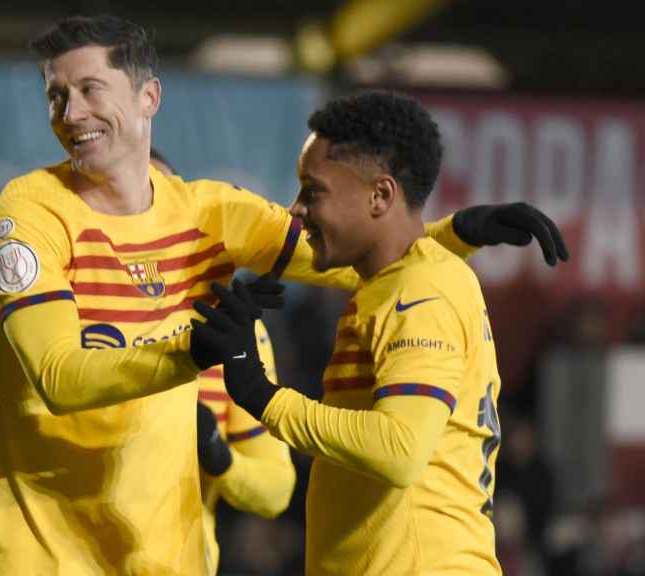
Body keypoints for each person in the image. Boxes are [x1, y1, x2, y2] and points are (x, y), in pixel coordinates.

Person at [0, 14, 566, 574]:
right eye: (56, 96)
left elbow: (348, 250)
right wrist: (193, 352)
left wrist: (459, 230)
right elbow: (57, 376)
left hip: (172, 559)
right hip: (49, 558)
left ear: (148, 97)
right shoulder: (25, 218)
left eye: (90, 89)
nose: (71, 113)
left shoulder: (212, 213)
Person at [191, 90, 568, 574]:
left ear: (381, 195)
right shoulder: (395, 283)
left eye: (313, 191)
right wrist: (457, 231)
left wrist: (260, 393)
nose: (295, 209)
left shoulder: (419, 291)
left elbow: (399, 450)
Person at [151, 149, 295, 575]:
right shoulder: (64, 313)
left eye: (159, 204)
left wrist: (217, 456)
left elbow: (276, 489)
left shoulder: (225, 331)